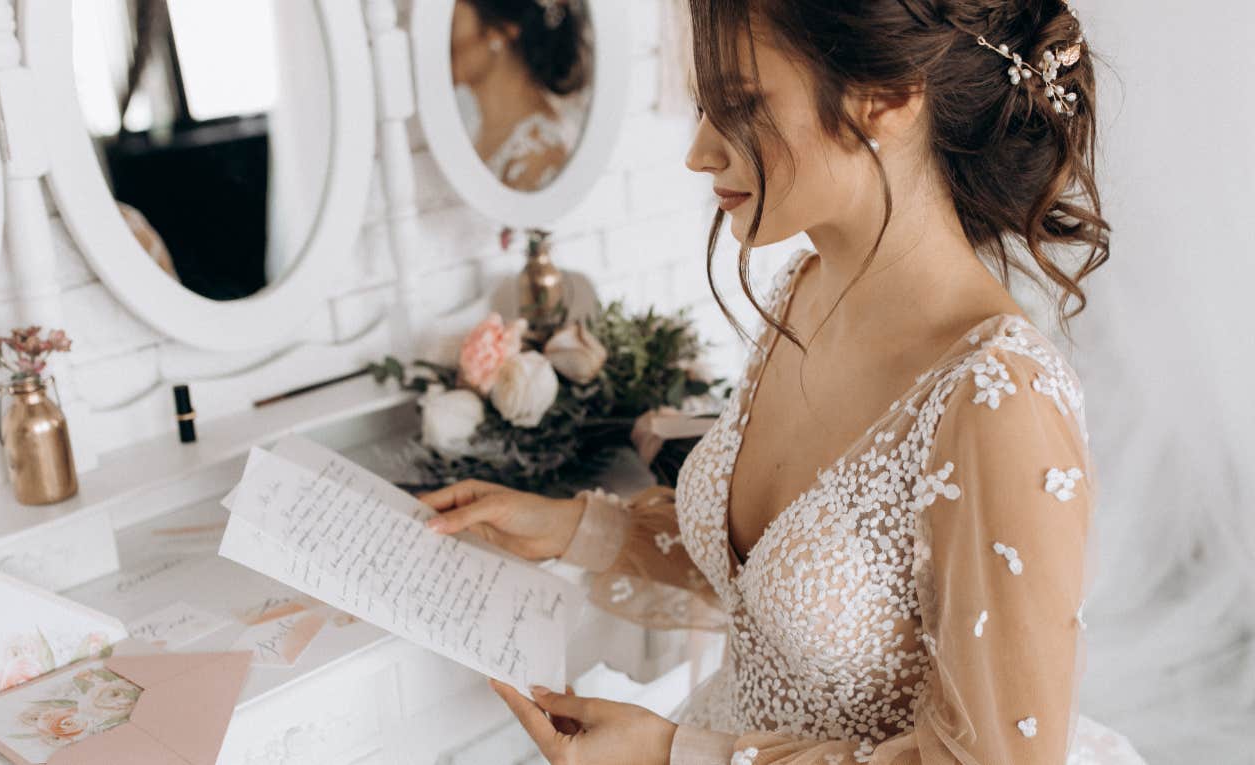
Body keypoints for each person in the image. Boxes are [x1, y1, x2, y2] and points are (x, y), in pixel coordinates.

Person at [421, 0, 1149, 762]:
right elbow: (773, 583)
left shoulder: (998, 401)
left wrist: (678, 755)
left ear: (889, 96)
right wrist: (576, 528)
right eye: (705, 108)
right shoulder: (801, 288)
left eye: (739, 106)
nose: (700, 152)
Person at [450, 0, 590, 191]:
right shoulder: (471, 126)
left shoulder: (539, 154)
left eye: (453, 24)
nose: (443, 40)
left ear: (499, 32)